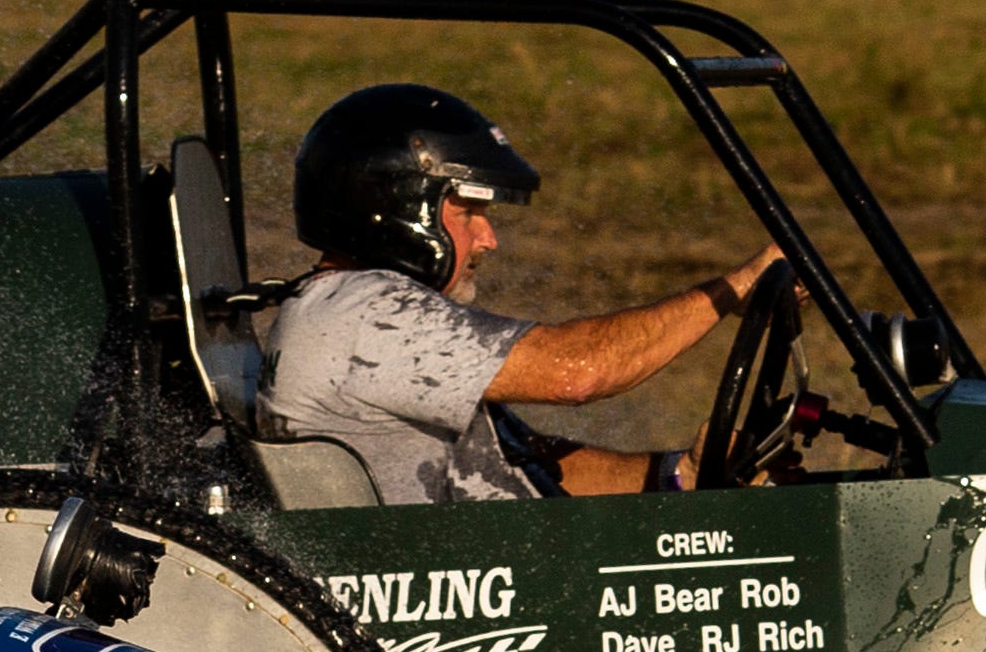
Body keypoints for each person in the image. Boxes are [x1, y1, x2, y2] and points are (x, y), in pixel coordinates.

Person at [260, 82, 784, 504]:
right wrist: (735, 288)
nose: (489, 239)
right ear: (398, 211)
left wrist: (680, 475)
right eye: (469, 212)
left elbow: (522, 466)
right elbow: (579, 372)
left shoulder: (345, 310)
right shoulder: (366, 314)